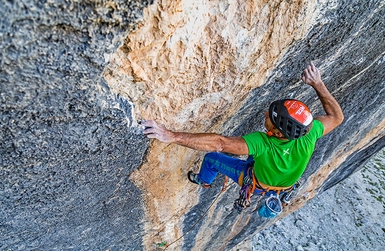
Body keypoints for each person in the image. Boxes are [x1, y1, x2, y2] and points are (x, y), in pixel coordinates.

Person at [141, 62, 344, 206]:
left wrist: (172, 135)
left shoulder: (263, 142)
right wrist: (318, 84)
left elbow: (219, 144)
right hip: (282, 185)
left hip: (256, 183)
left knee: (212, 158)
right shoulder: (310, 134)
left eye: (269, 119)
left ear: (277, 133)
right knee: (253, 156)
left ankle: (203, 180)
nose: (265, 114)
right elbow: (336, 117)